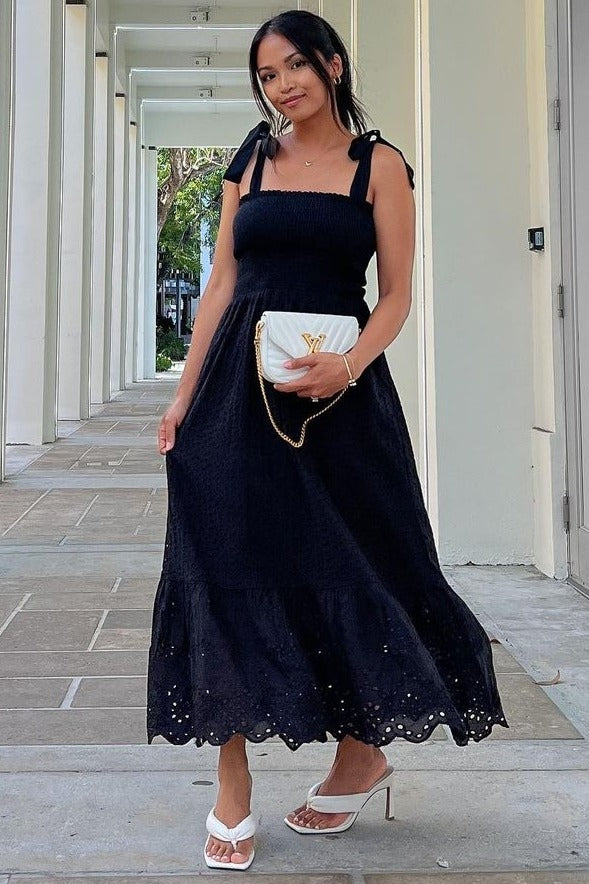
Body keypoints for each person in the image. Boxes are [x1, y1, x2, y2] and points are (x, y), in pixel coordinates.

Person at [147, 8, 509, 872]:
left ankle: (360, 755)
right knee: (224, 563)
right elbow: (221, 283)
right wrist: (183, 397)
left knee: (361, 563)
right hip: (235, 394)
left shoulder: (378, 167)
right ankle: (231, 781)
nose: (281, 86)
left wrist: (347, 365)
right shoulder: (249, 161)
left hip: (342, 399)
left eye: (294, 66)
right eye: (266, 75)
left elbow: (396, 295)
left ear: (333, 64)